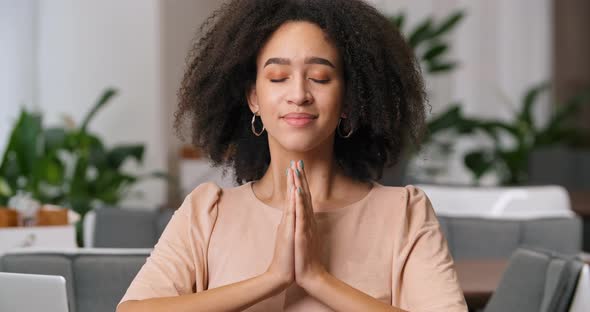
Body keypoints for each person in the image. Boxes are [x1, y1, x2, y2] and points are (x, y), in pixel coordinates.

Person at [117, 0, 467, 311]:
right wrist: (272, 278)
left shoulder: (403, 213)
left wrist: (317, 279)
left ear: (348, 100)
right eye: (278, 77)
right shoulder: (208, 211)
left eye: (320, 77)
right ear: (254, 97)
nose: (298, 94)